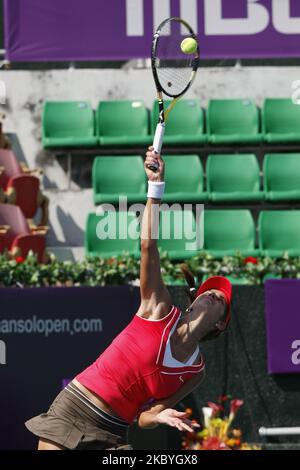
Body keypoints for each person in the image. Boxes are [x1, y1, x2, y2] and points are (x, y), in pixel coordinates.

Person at [25, 148, 232, 450]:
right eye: (208, 293)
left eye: (220, 300)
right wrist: (155, 187)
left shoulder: (195, 372)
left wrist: (160, 417)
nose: (211, 296)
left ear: (221, 325)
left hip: (113, 432)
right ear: (192, 302)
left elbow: (145, 418)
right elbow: (148, 245)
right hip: (75, 409)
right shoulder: (158, 308)